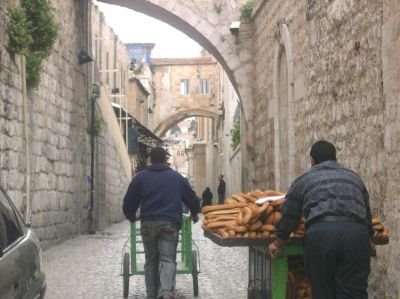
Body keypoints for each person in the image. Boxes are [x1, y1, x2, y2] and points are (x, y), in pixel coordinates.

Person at [268, 140, 373, 299]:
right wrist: (369, 237)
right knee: (354, 293)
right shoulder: (355, 178)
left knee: (323, 291)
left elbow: (290, 214)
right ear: (335, 158)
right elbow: (366, 211)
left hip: (321, 236)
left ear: (312, 160)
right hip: (356, 235)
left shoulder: (303, 179)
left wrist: (278, 241)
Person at [122, 147, 200, 299]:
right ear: (166, 159)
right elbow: (191, 199)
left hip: (148, 223)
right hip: (169, 224)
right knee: (168, 259)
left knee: (151, 260)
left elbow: (128, 203)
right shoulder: (177, 177)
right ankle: (165, 292)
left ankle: (151, 294)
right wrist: (195, 212)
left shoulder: (140, 178)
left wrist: (131, 217)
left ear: (150, 159)